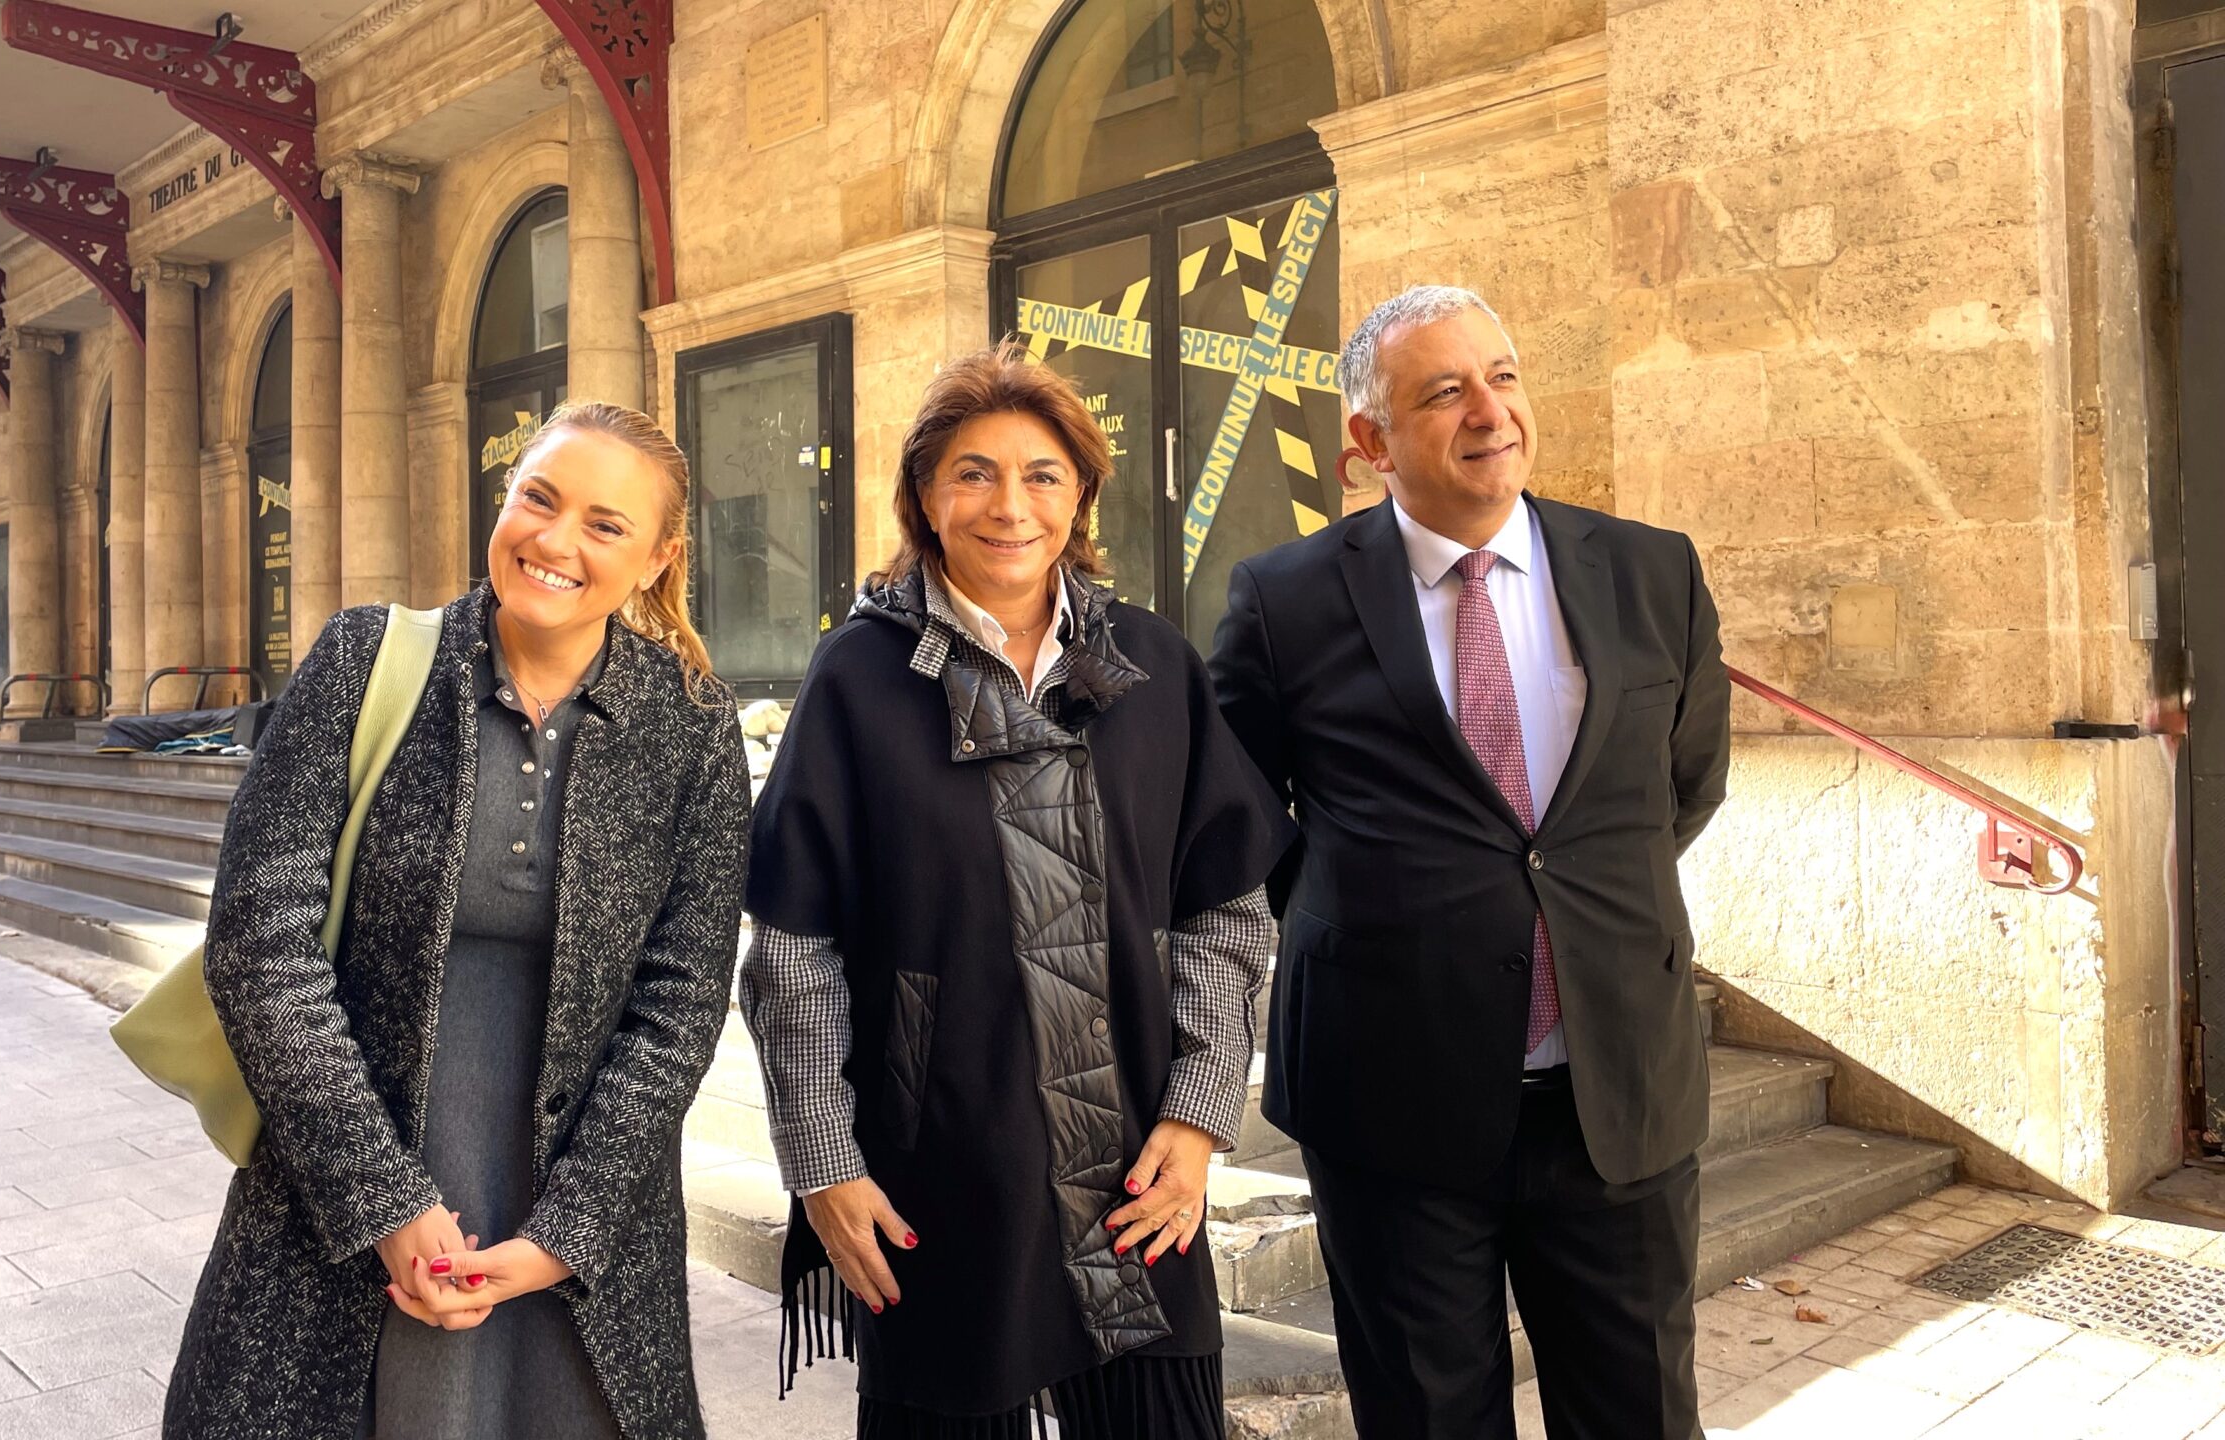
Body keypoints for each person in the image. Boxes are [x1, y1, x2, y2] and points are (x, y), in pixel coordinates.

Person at [163, 402, 752, 1440]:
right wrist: (383, 1204)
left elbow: (683, 1000)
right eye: (539, 497)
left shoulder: (693, 726)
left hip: (579, 1222)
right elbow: (262, 943)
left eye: (606, 525)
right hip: (338, 1191)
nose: (555, 541)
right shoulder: (364, 664)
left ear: (659, 557)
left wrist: (567, 1233)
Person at [741, 343, 1293, 1439]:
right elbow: (794, 951)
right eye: (972, 472)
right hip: (939, 1157)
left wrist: (1197, 1114)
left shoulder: (1152, 665)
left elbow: (1223, 911)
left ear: (1081, 490)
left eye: (1042, 473)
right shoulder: (858, 680)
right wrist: (823, 1163)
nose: (1009, 504)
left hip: (1135, 1163)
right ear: (924, 497)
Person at [1208, 285, 1731, 1439]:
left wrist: (1556, 909)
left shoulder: (1651, 570)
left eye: (1501, 376)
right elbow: (1244, 827)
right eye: (1443, 390)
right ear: (1369, 443)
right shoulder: (1284, 599)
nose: (1488, 410)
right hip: (1390, 1101)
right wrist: (1386, 925)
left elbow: (1679, 790)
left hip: (1616, 1099)